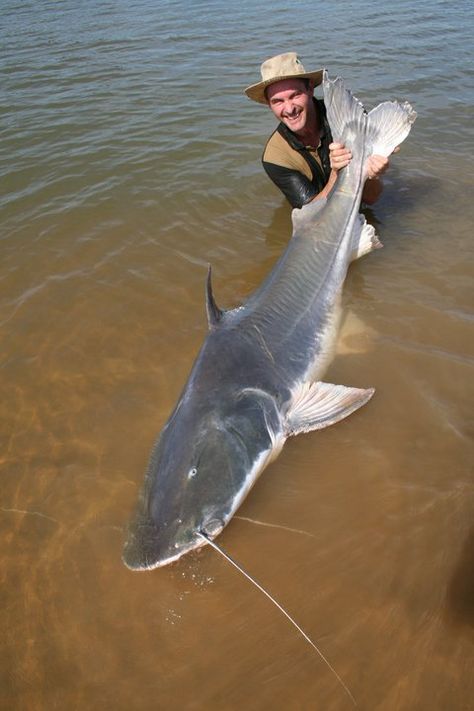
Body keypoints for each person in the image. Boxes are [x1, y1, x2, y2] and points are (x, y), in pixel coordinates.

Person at [245, 52, 391, 209]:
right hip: (319, 211)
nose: (289, 109)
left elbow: (371, 198)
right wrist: (336, 172)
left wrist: (371, 173)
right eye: (277, 101)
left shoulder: (347, 117)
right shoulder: (275, 157)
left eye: (295, 95)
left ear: (310, 90)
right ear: (269, 104)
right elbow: (311, 215)